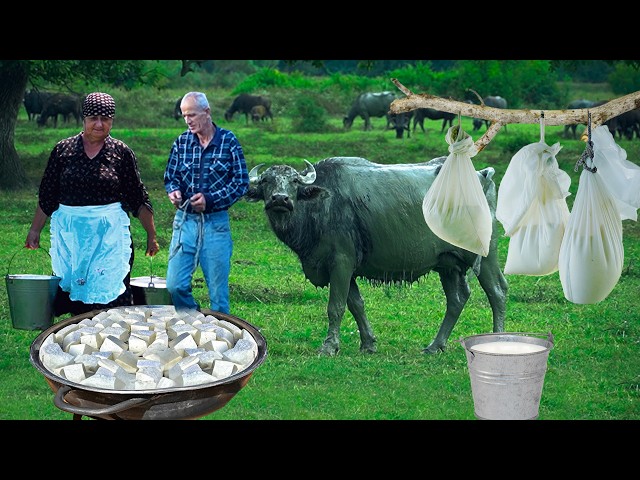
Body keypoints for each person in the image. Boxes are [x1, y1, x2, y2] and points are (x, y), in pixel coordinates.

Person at [25, 92, 159, 316]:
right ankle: (76, 344)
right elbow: (48, 195)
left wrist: (151, 235)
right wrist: (34, 229)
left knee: (109, 301)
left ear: (112, 121)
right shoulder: (63, 150)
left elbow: (138, 197)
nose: (99, 124)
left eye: (105, 119)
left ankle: (109, 345)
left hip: (108, 236)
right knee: (76, 298)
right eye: (93, 118)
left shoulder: (121, 153)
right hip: (72, 236)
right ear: (83, 119)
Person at [164, 91, 249, 314]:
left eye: (192, 114)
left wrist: (210, 200)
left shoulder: (228, 141)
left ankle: (221, 341)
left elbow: (240, 182)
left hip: (215, 224)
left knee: (218, 294)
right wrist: (173, 191)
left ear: (207, 112)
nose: (188, 120)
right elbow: (170, 177)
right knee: (175, 285)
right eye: (184, 116)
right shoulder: (181, 142)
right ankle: (192, 324)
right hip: (185, 222)